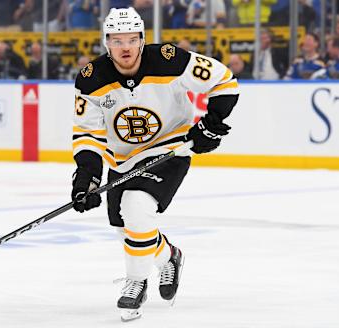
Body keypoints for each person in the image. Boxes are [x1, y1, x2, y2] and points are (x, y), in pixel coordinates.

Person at [71, 7, 239, 321]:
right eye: (117, 40)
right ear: (106, 42)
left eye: (132, 39)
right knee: (127, 229)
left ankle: (135, 283)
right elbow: (87, 134)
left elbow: (224, 81)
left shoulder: (169, 59)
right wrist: (87, 177)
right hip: (122, 159)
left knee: (136, 208)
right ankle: (169, 256)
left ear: (142, 39)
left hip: (171, 148)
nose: (125, 47)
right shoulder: (91, 79)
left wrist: (211, 123)